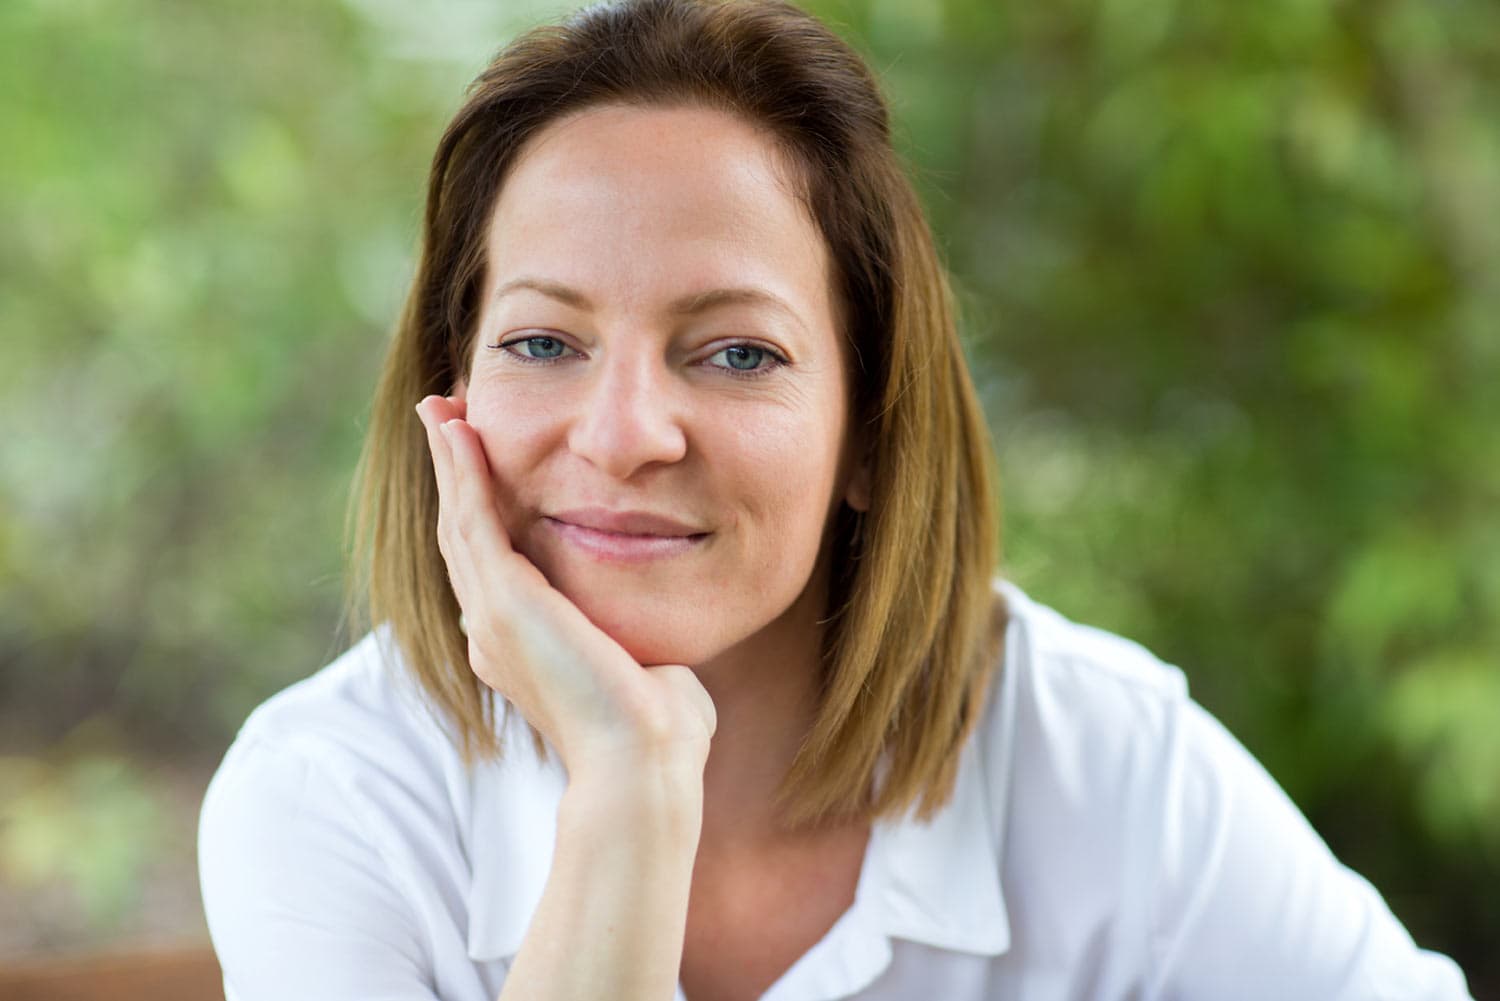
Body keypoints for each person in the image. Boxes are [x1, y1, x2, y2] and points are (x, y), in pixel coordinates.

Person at [197, 1, 1474, 998]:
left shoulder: (1104, 759)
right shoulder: (331, 794)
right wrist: (629, 785)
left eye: (738, 351)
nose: (626, 432)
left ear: (871, 427)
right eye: (542, 342)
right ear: (450, 391)